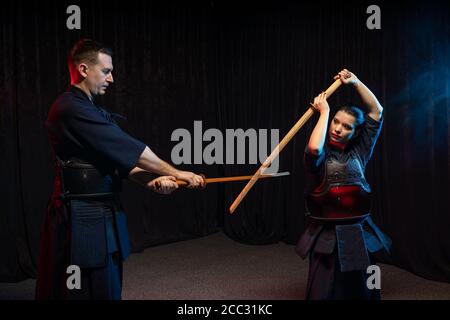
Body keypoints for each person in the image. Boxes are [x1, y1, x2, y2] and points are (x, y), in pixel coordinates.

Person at [36, 39, 205, 300]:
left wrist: (151, 181)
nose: (111, 79)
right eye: (106, 71)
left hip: (102, 212)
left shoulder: (92, 110)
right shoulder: (70, 108)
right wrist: (180, 172)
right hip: (80, 218)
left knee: (108, 290)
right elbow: (130, 149)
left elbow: (117, 160)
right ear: (83, 69)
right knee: (77, 294)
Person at [296, 69, 392, 300]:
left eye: (346, 126)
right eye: (335, 122)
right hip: (326, 235)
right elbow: (313, 149)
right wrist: (324, 112)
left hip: (358, 232)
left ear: (356, 132)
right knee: (324, 293)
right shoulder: (320, 154)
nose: (338, 129)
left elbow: (377, 111)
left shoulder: (360, 152)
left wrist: (356, 82)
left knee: (364, 291)